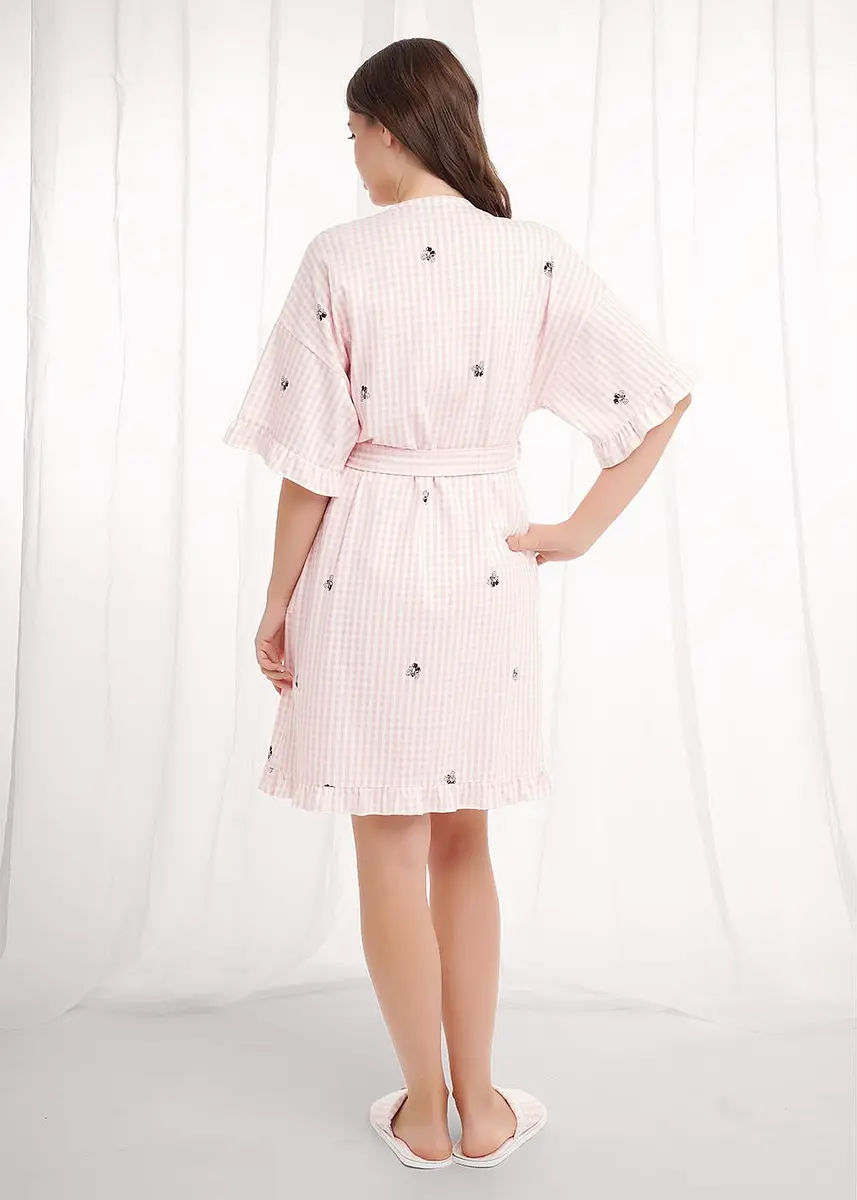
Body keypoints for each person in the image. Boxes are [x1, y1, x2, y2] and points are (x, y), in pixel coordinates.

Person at [222, 36, 695, 1171]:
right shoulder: (530, 254)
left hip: (368, 561)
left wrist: (275, 601)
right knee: (463, 832)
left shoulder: (339, 257)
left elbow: (309, 463)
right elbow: (658, 393)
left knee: (388, 840)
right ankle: (481, 1109)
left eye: (353, 135)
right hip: (486, 560)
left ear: (388, 128)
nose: (354, 158)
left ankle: (422, 1118)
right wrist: (576, 529)